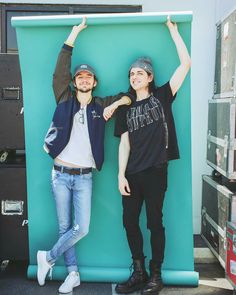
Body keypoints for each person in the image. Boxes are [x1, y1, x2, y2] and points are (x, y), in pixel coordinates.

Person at [36, 17, 131, 294]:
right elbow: (60, 70)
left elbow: (127, 96)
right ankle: (73, 273)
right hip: (60, 174)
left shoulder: (101, 106)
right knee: (66, 227)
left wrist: (118, 105)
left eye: (88, 77)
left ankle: (48, 257)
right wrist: (74, 33)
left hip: (84, 178)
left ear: (94, 83)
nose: (84, 80)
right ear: (75, 83)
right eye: (80, 77)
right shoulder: (64, 97)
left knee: (81, 228)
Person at [114, 17, 191, 295]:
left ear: (149, 77)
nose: (134, 77)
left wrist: (174, 32)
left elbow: (186, 65)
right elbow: (123, 143)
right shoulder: (125, 107)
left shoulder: (162, 95)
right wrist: (120, 174)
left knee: (154, 222)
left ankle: (156, 275)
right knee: (129, 222)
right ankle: (139, 271)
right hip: (132, 173)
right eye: (131, 74)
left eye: (139, 73)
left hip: (156, 171)